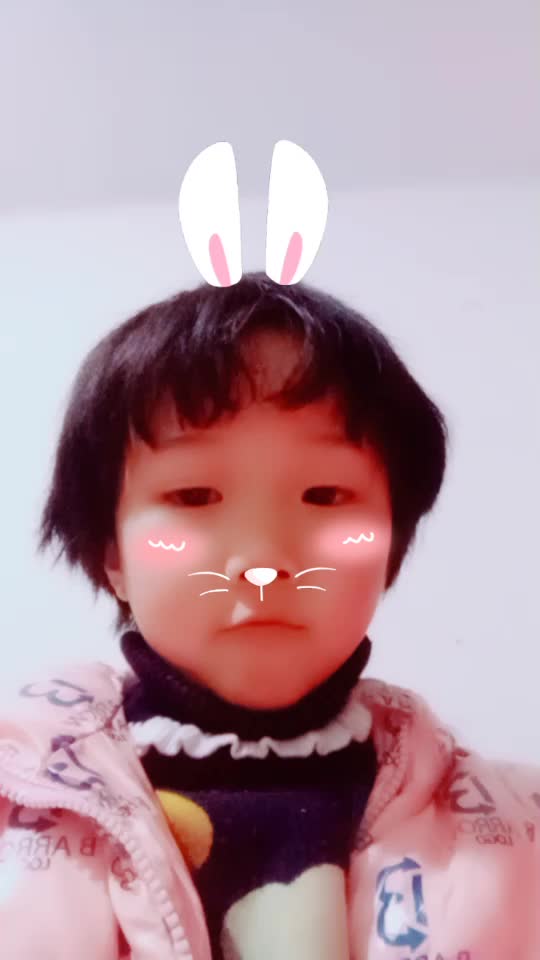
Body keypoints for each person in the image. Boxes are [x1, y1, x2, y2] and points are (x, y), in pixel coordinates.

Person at [0, 272, 538, 959]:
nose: (261, 561)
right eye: (194, 496)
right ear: (113, 556)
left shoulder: (516, 834)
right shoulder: (19, 801)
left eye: (324, 495)